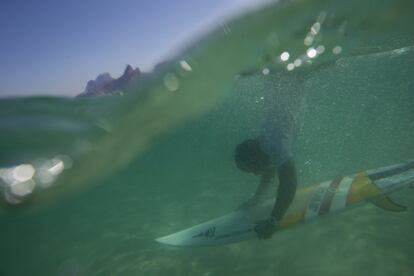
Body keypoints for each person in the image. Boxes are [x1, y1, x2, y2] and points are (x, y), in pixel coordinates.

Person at [234, 71, 302, 239]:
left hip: (296, 76)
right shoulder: (265, 143)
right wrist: (257, 198)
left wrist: (273, 222)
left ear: (255, 159)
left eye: (252, 170)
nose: (256, 174)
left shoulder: (275, 144)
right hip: (289, 80)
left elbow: (290, 183)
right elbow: (270, 168)